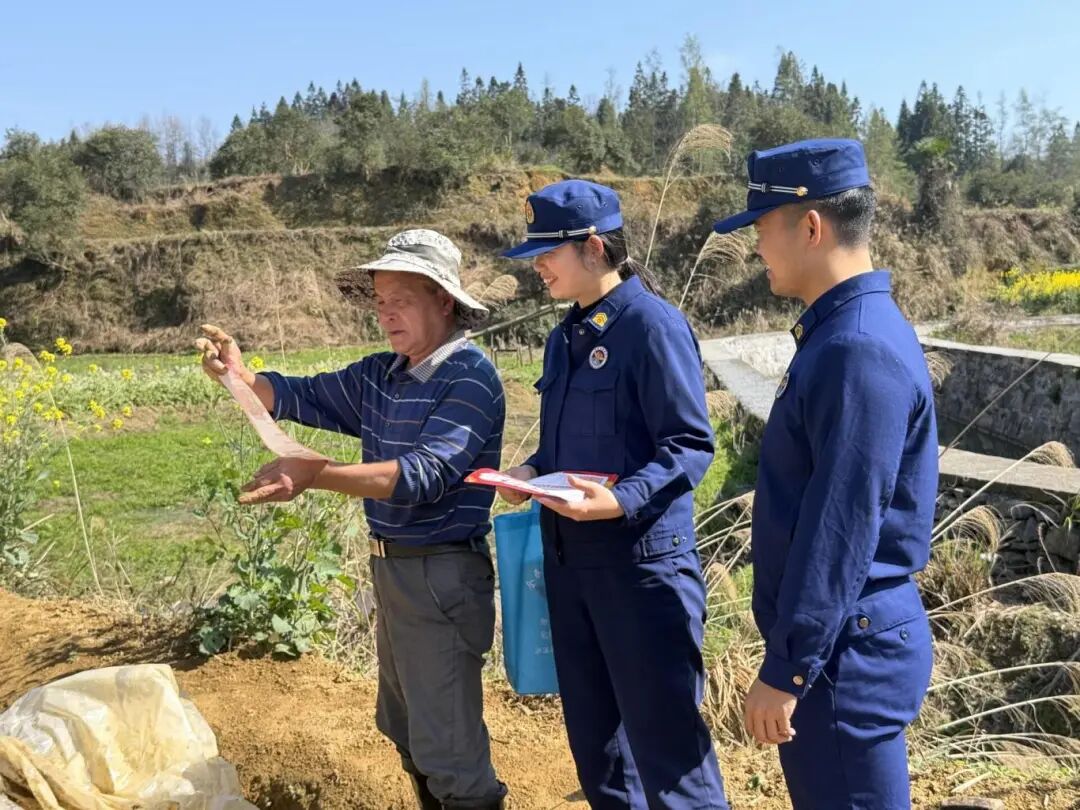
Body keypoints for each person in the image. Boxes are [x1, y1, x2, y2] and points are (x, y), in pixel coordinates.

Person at [196, 229, 508, 810]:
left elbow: (422, 476)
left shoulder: (468, 377)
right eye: (380, 301)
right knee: (406, 729)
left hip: (442, 577)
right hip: (392, 572)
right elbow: (301, 395)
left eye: (401, 301)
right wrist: (237, 376)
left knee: (451, 755)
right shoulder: (381, 375)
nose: (386, 314)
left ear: (444, 301)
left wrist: (314, 474)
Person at [712, 139, 937, 809]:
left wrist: (789, 668)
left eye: (762, 228)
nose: (756, 248)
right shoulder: (844, 332)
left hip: (844, 651)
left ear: (810, 226)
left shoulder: (855, 347)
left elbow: (841, 526)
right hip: (844, 640)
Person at [498, 179, 730, 809]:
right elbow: (564, 450)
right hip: (571, 569)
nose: (537, 265)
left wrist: (623, 499)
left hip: (641, 572)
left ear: (595, 246)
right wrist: (528, 473)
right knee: (599, 756)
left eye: (548, 252)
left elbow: (689, 444)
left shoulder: (652, 326)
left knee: (670, 760)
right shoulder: (564, 337)